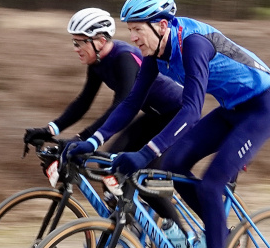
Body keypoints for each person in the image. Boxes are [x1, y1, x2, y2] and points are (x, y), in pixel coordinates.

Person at [65, 0, 270, 248]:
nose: (132, 37)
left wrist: (144, 153)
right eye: (130, 30)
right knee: (172, 165)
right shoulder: (155, 53)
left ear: (162, 25)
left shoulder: (193, 44)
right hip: (230, 110)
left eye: (138, 29)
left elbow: (191, 112)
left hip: (261, 111)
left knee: (210, 185)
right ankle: (218, 232)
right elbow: (130, 103)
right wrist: (92, 141)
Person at [23, 8, 183, 153]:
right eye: (74, 42)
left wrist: (84, 137)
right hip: (155, 115)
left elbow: (122, 104)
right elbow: (84, 101)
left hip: (180, 115)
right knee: (110, 160)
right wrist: (50, 130)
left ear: (101, 41)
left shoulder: (124, 58)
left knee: (140, 165)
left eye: (80, 43)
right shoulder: (96, 62)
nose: (75, 49)